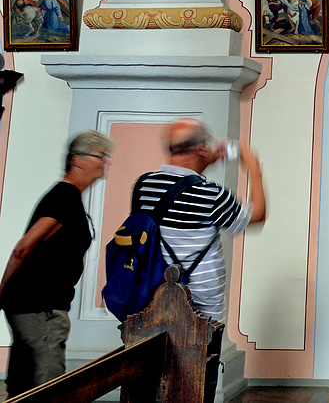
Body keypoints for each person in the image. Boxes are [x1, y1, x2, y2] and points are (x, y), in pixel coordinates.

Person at [132, 118, 266, 402]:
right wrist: (253, 168)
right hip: (201, 310)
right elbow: (255, 217)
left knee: (153, 382)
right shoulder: (209, 194)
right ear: (202, 149)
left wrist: (201, 160)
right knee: (196, 385)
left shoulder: (143, 185)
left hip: (151, 302)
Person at [0, 131, 112, 396]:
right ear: (78, 160)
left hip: (33, 305)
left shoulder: (66, 196)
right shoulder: (65, 196)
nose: (105, 162)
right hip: (41, 308)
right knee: (48, 388)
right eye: (100, 156)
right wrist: (2, 292)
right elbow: (23, 248)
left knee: (23, 384)